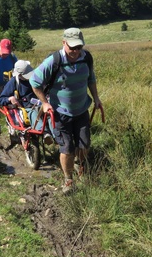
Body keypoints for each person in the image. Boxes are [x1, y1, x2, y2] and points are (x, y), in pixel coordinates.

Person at [30, 28, 102, 193]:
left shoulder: (86, 58)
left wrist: (96, 99)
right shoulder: (54, 61)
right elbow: (34, 82)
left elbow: (91, 79)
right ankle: (68, 180)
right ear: (64, 43)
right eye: (72, 48)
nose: (75, 52)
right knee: (67, 148)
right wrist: (45, 102)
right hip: (60, 113)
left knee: (85, 144)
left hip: (81, 109)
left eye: (79, 48)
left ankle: (80, 164)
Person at [0, 60, 54, 144]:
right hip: (27, 107)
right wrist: (10, 98)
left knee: (50, 113)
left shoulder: (37, 77)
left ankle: (56, 134)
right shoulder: (14, 81)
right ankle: (45, 133)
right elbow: (2, 99)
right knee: (33, 112)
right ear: (20, 75)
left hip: (42, 102)